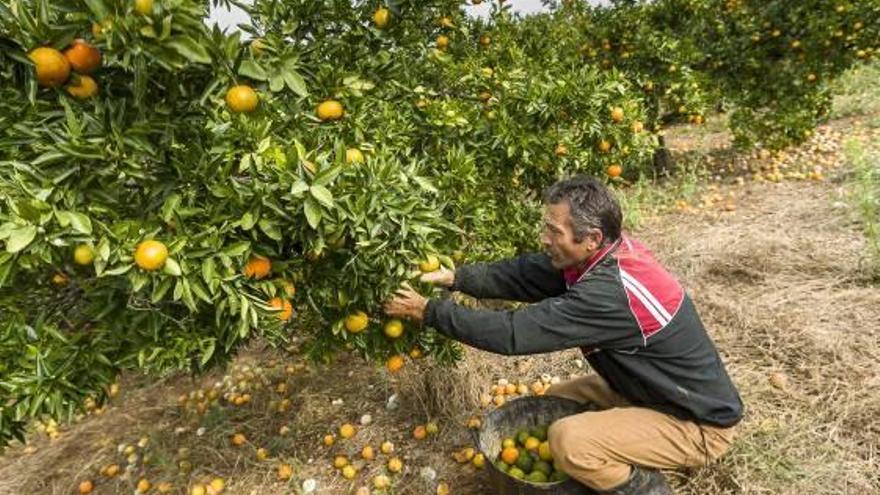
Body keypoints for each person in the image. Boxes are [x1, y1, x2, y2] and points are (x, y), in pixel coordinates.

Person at [383, 175, 743, 495]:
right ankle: (620, 450)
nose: (545, 238)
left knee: (567, 439)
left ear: (591, 238)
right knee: (553, 401)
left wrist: (428, 311)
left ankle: (649, 488)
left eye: (554, 231)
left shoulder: (611, 294)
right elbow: (525, 274)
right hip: (650, 393)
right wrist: (457, 278)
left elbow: (515, 333)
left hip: (696, 423)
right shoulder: (599, 257)